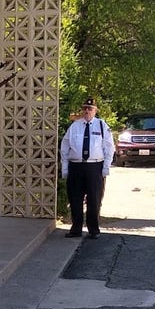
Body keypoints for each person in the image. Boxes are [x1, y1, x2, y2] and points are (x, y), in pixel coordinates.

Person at [60, 97, 115, 239]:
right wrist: (65, 168)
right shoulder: (75, 126)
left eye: (90, 108)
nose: (87, 111)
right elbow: (65, 148)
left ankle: (94, 230)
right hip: (76, 166)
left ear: (95, 111)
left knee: (94, 199)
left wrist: (105, 168)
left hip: (94, 166)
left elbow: (109, 148)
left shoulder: (102, 126)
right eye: (84, 108)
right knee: (75, 199)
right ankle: (76, 229)